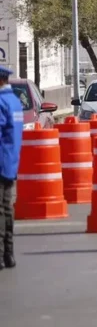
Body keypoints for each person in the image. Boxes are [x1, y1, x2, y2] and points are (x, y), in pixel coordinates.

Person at [0, 65, 23, 270]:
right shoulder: (15, 102)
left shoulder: (0, 102)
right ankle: (9, 254)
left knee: (0, 210)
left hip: (0, 162)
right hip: (11, 162)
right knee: (7, 208)